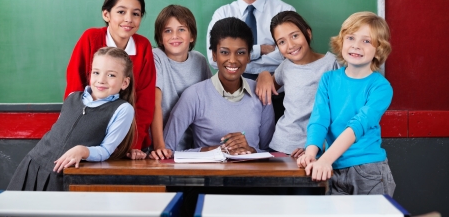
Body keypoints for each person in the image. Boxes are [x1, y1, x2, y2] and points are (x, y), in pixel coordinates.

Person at [8, 47, 138, 191]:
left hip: (65, 174)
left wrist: (82, 150)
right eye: (96, 72)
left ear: (125, 83)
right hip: (34, 164)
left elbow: (106, 150)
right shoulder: (72, 97)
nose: (101, 80)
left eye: (111, 75)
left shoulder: (123, 109)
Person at [298, 12, 396, 196]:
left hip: (368, 170)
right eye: (351, 37)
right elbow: (319, 121)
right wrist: (311, 153)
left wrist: (326, 159)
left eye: (366, 41)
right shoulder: (328, 80)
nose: (356, 45)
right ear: (341, 41)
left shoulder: (381, 87)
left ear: (379, 49)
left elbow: (357, 126)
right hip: (332, 169)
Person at [64, 0, 155, 157]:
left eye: (136, 14)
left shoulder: (143, 46)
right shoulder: (90, 38)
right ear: (106, 14)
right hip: (87, 139)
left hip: (127, 142)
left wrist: (133, 145)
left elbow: (145, 101)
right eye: (121, 12)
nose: (128, 19)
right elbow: (74, 92)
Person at [163, 17, 275, 155]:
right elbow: (166, 151)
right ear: (214, 55)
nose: (232, 60)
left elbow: (270, 152)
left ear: (248, 56)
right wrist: (211, 151)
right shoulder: (194, 96)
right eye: (224, 52)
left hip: (254, 175)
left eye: (240, 52)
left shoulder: (261, 93)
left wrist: (251, 150)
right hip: (207, 175)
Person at [255, 11, 339, 157]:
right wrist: (264, 75)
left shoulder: (332, 64)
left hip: (318, 148)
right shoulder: (285, 67)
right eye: (281, 42)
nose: (290, 45)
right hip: (282, 145)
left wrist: (320, 146)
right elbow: (263, 91)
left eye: (295, 36)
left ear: (308, 33)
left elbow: (342, 112)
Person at [206, 0, 295, 79]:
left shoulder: (284, 11)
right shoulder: (222, 14)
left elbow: (289, 54)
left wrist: (237, 60)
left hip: (277, 90)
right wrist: (260, 50)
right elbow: (213, 58)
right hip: (233, 93)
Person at [149, 5, 212, 159]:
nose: (175, 36)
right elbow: (154, 104)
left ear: (192, 36)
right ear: (160, 38)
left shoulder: (199, 60)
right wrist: (160, 146)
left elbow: (209, 102)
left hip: (190, 148)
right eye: (168, 30)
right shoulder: (155, 56)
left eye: (182, 29)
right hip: (158, 146)